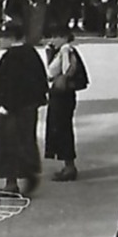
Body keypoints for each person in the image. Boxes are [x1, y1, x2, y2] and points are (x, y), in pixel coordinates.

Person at [0, 19, 49, 196]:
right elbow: (39, 82)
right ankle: (23, 176)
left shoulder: (12, 57)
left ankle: (14, 182)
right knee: (24, 142)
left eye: (2, 37)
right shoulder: (30, 53)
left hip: (11, 109)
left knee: (8, 145)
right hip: (28, 108)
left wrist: (5, 104)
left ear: (11, 38)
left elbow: (7, 85)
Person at [44, 30, 82, 181]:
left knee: (62, 128)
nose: (53, 39)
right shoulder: (60, 50)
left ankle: (69, 166)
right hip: (62, 94)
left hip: (62, 94)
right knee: (61, 127)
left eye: (56, 36)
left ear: (65, 37)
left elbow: (64, 70)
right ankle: (67, 164)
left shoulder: (66, 50)